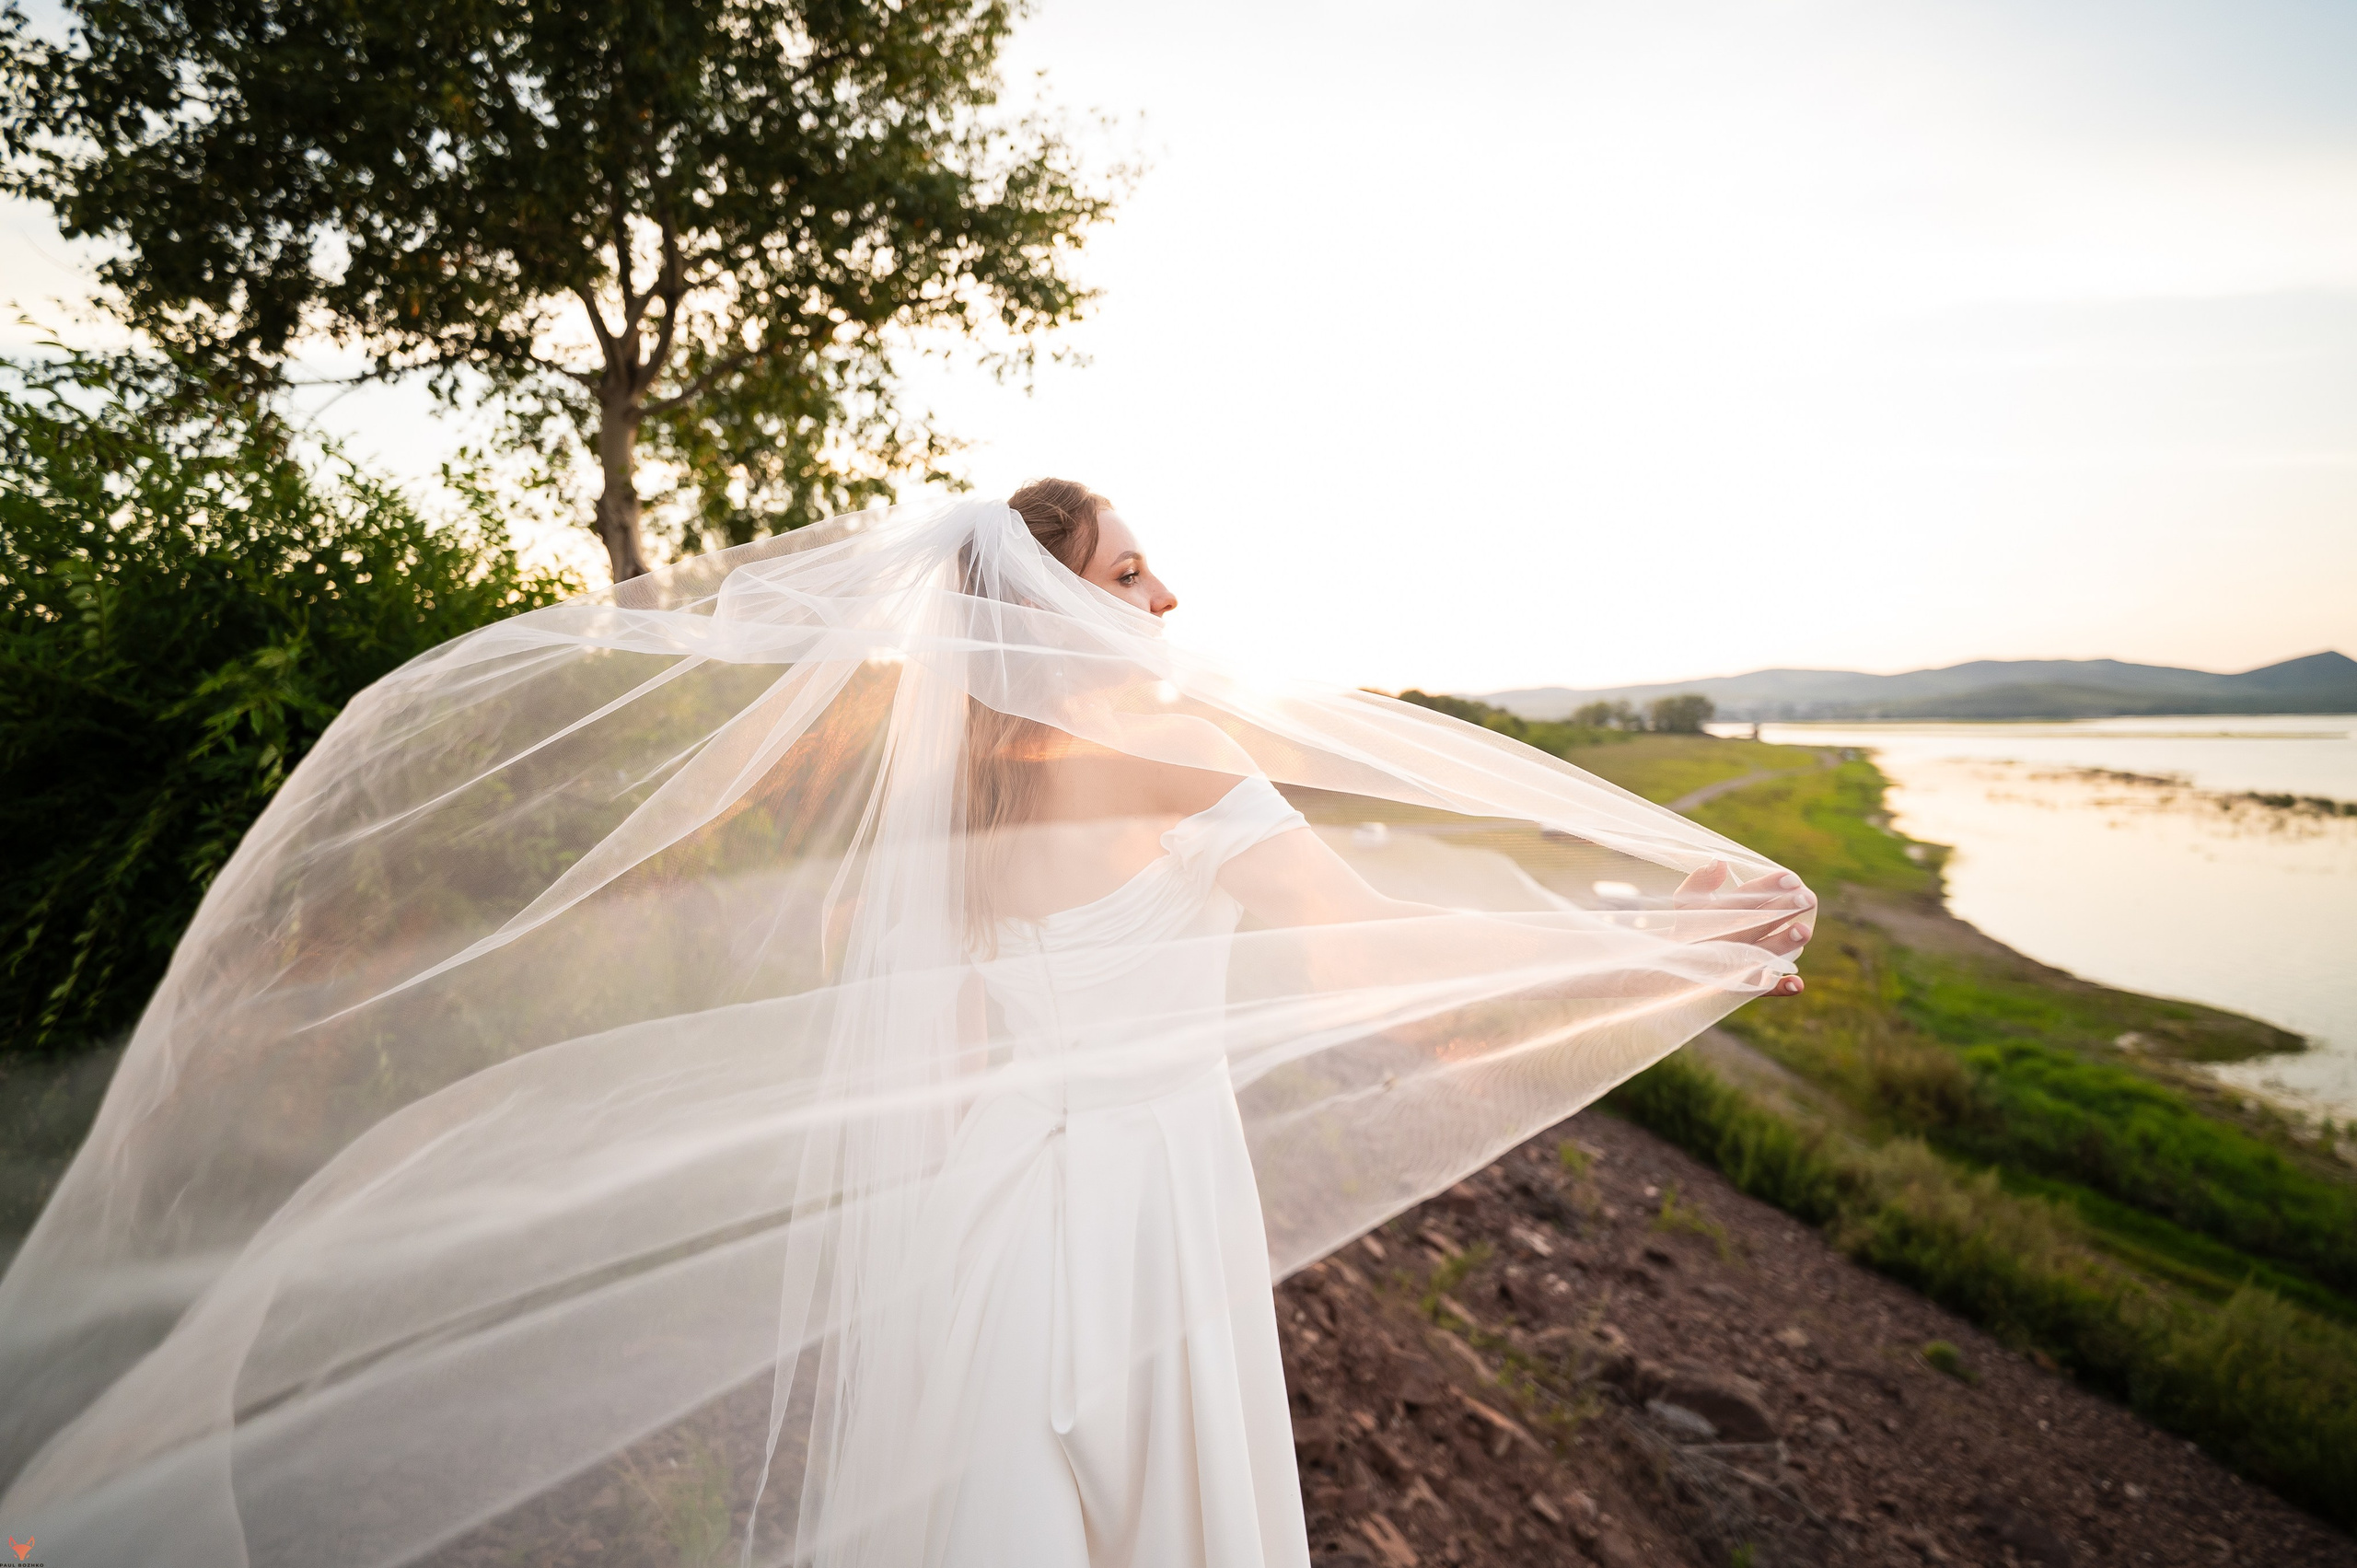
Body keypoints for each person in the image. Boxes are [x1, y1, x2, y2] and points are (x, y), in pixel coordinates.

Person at [0, 484, 1812, 1567]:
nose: (1167, 598)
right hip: (1141, 1216)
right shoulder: (1182, 759)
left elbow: (931, 1061)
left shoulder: (952, 805)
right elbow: (1372, 967)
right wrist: (1655, 942)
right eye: (1130, 571)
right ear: (1054, 603)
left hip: (984, 1230)